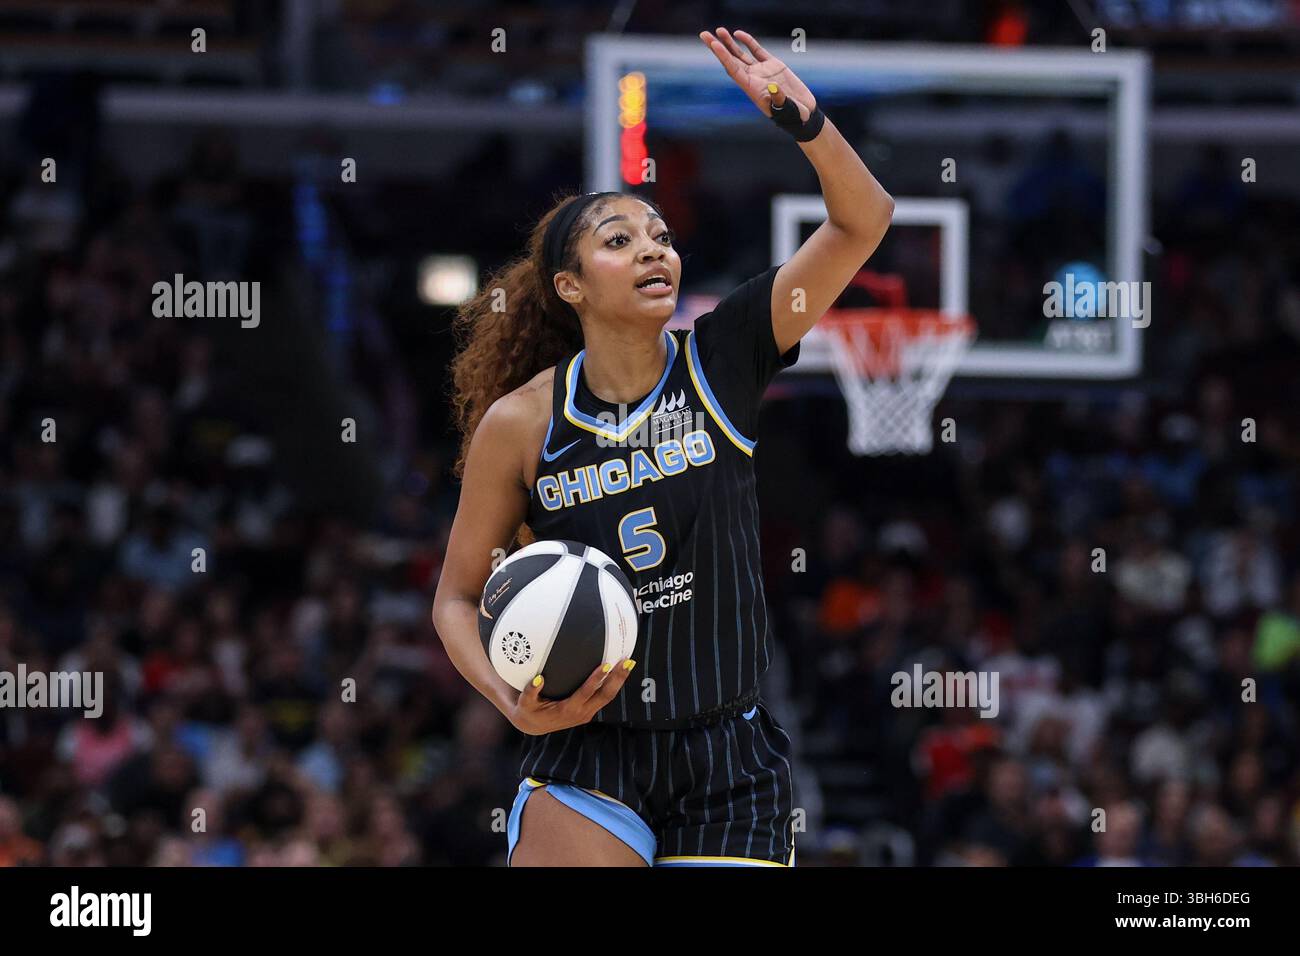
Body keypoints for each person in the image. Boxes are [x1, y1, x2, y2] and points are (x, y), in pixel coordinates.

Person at [432, 26, 894, 866]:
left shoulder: (725, 356)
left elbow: (865, 221)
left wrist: (805, 120)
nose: (653, 248)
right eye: (620, 240)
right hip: (588, 746)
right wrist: (510, 698)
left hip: (728, 755)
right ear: (570, 287)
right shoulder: (524, 423)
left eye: (660, 236)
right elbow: (456, 600)